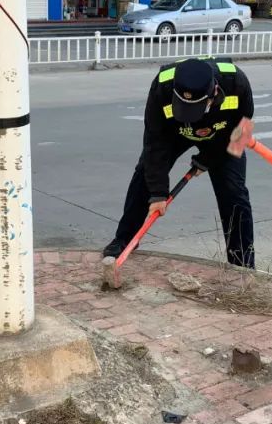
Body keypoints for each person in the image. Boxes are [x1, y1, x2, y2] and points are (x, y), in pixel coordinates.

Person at [103, 57, 256, 268]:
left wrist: (209, 159)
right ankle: (125, 238)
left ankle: (242, 262)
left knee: (234, 193)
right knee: (144, 176)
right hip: (175, 133)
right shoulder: (162, 86)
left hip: (222, 135)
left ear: (214, 93)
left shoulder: (236, 82)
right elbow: (154, 143)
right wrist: (158, 193)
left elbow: (242, 130)